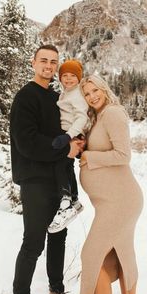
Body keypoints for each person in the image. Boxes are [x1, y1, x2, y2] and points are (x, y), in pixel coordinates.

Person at [10, 44, 83, 294]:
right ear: (33, 63)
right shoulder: (26, 97)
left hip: (58, 178)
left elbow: (69, 129)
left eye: (53, 62)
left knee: (58, 237)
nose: (49, 66)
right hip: (35, 179)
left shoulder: (58, 97)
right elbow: (26, 142)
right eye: (44, 61)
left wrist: (77, 144)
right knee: (33, 243)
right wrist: (65, 149)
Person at [79, 75, 143, 294]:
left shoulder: (113, 113)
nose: (92, 96)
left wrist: (89, 158)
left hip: (120, 201)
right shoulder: (99, 117)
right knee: (119, 255)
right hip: (114, 201)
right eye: (87, 93)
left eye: (95, 90)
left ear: (104, 88)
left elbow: (123, 155)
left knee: (91, 256)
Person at [48, 59, 88, 233]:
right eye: (65, 75)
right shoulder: (66, 93)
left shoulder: (77, 95)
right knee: (67, 166)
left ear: (79, 78)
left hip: (72, 134)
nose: (69, 79)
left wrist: (67, 136)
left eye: (73, 76)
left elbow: (81, 118)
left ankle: (65, 202)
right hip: (68, 133)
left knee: (60, 166)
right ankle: (75, 201)